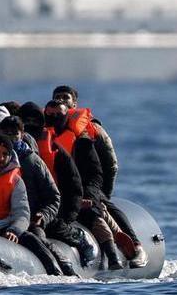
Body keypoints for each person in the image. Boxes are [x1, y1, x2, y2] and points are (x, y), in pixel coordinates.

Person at [52, 85, 147, 268]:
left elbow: (111, 163)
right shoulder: (50, 129)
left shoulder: (92, 129)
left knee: (105, 206)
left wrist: (103, 192)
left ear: (75, 103)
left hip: (91, 183)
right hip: (63, 185)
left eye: (66, 97)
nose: (62, 101)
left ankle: (136, 246)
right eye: (58, 97)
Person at [45, 100, 125, 270]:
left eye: (58, 114)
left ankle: (112, 256)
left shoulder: (82, 142)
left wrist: (88, 196)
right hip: (52, 195)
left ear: (67, 115)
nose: (53, 118)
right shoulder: (42, 140)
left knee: (92, 214)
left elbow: (96, 174)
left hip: (81, 193)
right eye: (49, 114)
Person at [0, 117, 78, 276]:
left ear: (21, 135)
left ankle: (64, 267)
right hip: (0, 220)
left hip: (30, 220)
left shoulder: (32, 162)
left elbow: (54, 197)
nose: (10, 137)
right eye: (6, 133)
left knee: (38, 239)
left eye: (14, 133)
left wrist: (43, 215)